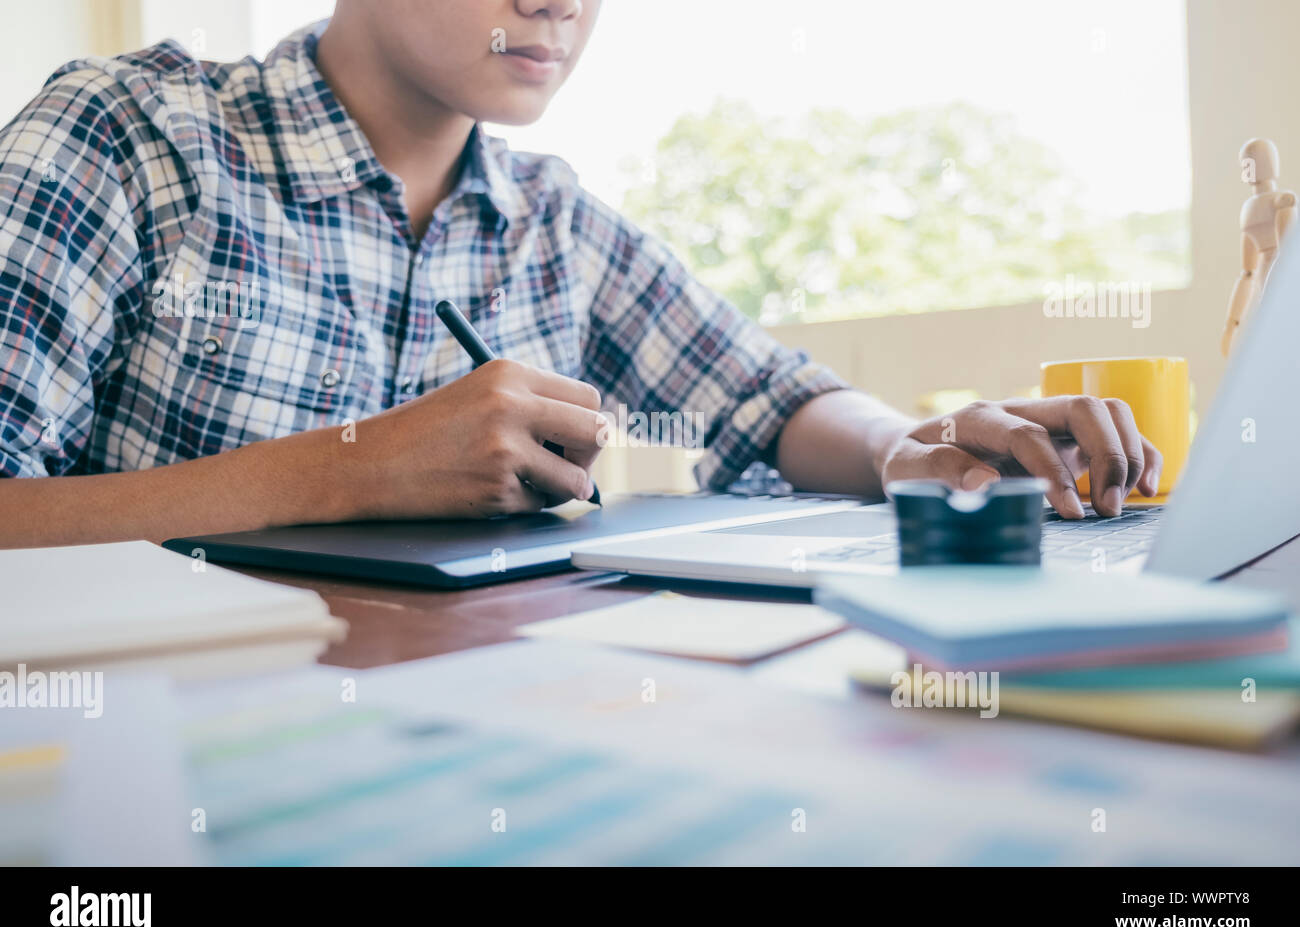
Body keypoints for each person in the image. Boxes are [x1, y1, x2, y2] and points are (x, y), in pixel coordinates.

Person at [0, 0, 1160, 548]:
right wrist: (355, 466)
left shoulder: (551, 219)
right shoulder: (132, 137)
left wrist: (903, 445)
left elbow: (766, 398)